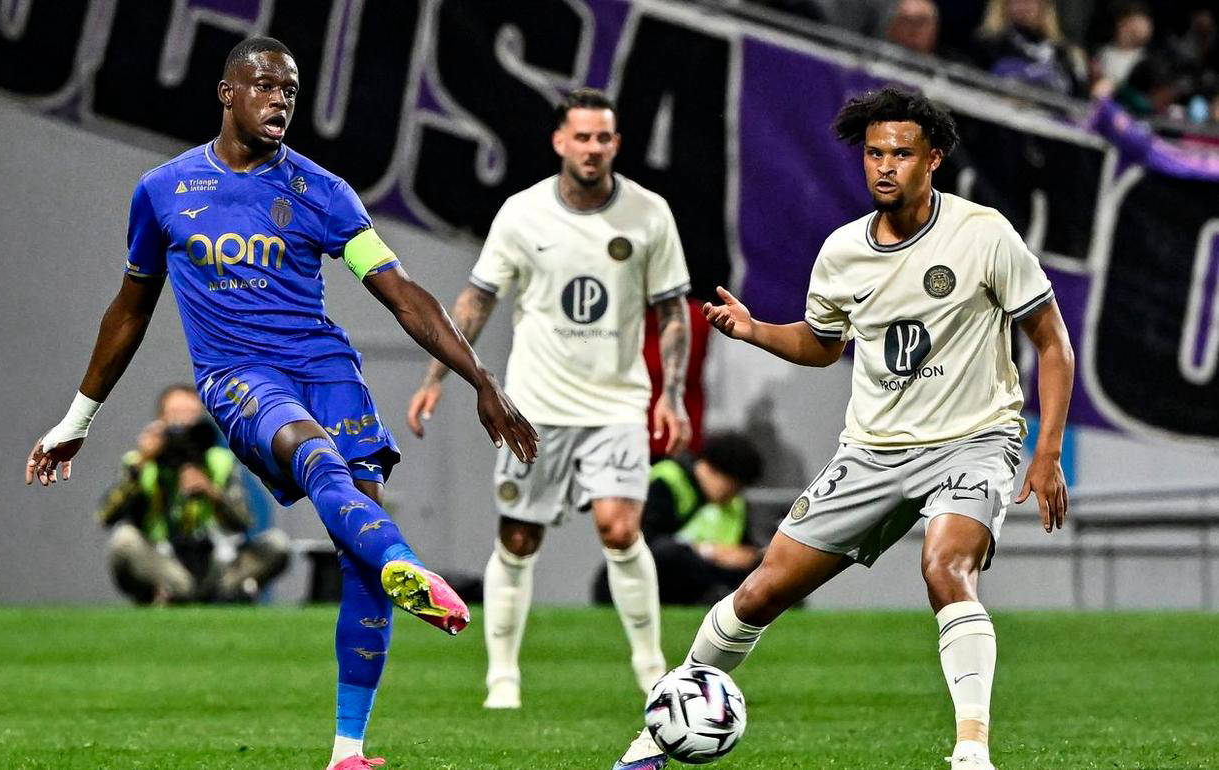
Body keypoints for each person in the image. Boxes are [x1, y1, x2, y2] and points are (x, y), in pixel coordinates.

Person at [24, 36, 537, 770]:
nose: (280, 101)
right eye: (265, 86)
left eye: (290, 90)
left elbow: (401, 294)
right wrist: (77, 420)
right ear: (227, 92)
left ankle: (348, 751)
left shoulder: (321, 191)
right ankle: (405, 561)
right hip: (238, 376)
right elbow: (130, 310)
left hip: (327, 369)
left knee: (359, 558)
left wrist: (483, 379)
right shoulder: (164, 191)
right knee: (319, 462)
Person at [612, 87, 1073, 770]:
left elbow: (1053, 342)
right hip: (872, 451)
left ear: (933, 159)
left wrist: (1047, 450)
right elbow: (824, 344)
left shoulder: (984, 234)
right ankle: (655, 737)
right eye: (875, 153)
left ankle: (971, 751)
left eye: (901, 154)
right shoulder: (842, 252)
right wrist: (756, 330)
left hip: (972, 440)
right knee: (759, 593)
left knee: (945, 567)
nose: (885, 166)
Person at [406, 87, 693, 710]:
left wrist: (671, 396)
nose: (592, 148)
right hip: (535, 408)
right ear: (560, 141)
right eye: (582, 137)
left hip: (617, 404)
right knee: (518, 539)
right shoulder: (522, 213)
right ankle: (502, 678)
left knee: (621, 530)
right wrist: (436, 378)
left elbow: (673, 310)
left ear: (616, 144)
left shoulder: (649, 214)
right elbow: (476, 301)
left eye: (603, 137)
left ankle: (652, 671)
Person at [99, 384, 288, 604]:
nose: (184, 424)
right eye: (176, 415)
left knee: (276, 543)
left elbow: (245, 523)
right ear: (160, 421)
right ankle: (173, 592)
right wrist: (142, 461)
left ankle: (218, 593)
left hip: (216, 561)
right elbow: (106, 515)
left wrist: (212, 493)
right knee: (124, 540)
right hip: (163, 560)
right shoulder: (138, 462)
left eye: (191, 415)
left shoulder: (219, 461)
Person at [594, 431, 766, 606]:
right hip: (644, 581)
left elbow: (744, 549)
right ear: (712, 469)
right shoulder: (668, 480)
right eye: (733, 486)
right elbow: (644, 542)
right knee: (673, 555)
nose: (734, 494)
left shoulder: (734, 505)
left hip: (707, 580)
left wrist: (749, 556)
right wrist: (709, 551)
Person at [970, 0, 1088, 97]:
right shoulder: (987, 45)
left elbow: (1079, 101)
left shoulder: (1064, 54)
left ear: (1044, 5)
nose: (1024, 5)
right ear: (1003, 4)